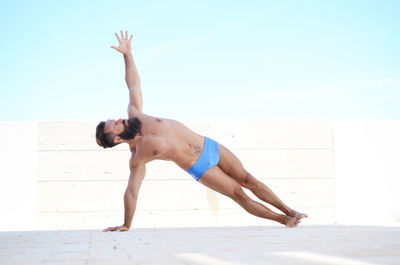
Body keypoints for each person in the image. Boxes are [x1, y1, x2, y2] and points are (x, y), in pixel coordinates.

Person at [97, 30, 307, 232]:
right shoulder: (137, 157)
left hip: (209, 145)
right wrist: (127, 223)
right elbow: (132, 192)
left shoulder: (135, 113)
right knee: (239, 194)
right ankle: (284, 220)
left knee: (248, 179)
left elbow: (133, 83)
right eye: (114, 124)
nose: (117, 119)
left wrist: (128, 55)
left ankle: (290, 210)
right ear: (116, 139)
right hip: (199, 166)